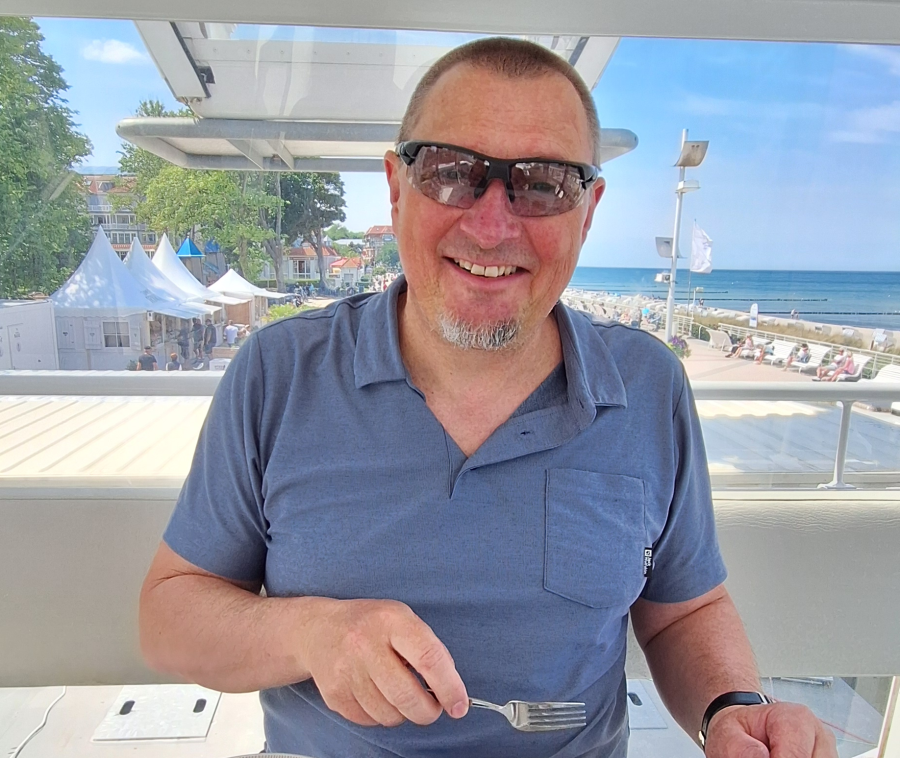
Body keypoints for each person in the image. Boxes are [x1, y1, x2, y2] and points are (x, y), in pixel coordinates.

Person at [139, 38, 835, 758]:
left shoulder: (650, 387)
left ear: (588, 211)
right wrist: (308, 633)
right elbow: (169, 616)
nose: (492, 227)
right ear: (396, 186)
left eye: (544, 184)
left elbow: (683, 611)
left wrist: (731, 709)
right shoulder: (277, 374)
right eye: (450, 173)